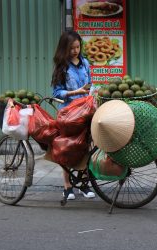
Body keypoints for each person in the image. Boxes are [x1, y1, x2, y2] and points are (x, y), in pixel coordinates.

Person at [51, 30, 95, 200]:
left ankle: (84, 184)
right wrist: (75, 92)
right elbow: (56, 92)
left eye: (77, 47)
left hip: (85, 111)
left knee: (85, 147)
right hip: (69, 113)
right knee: (67, 148)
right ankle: (67, 186)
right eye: (72, 48)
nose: (75, 51)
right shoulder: (62, 67)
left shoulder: (85, 63)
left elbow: (90, 85)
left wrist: (92, 93)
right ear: (65, 49)